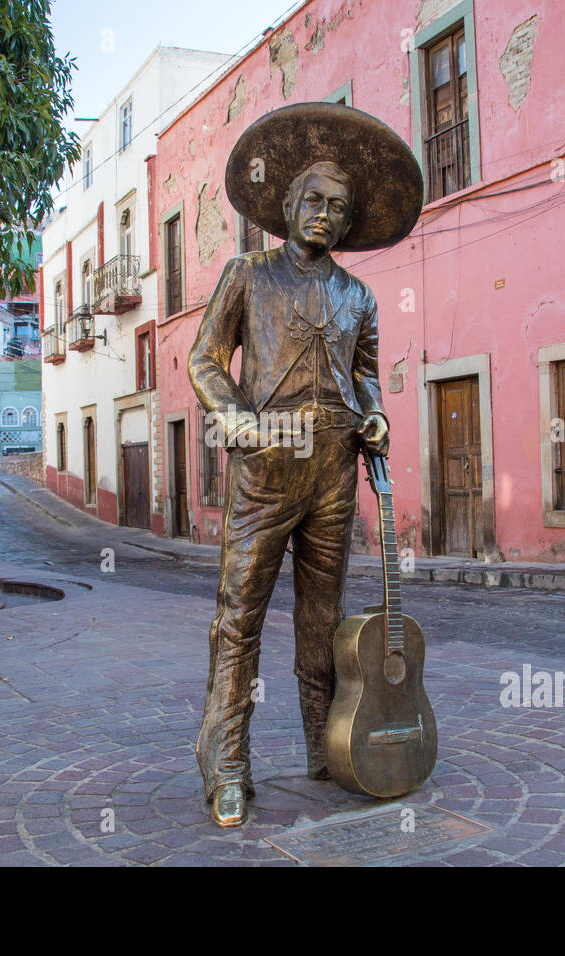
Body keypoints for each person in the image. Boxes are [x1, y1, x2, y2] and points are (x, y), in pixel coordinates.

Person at [188, 103, 422, 827]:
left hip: (333, 470)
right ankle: (228, 765)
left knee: (325, 622)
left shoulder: (359, 296)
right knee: (239, 619)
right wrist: (234, 420)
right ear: (287, 207)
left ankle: (330, 746)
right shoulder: (246, 274)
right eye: (313, 202)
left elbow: (369, 373)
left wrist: (376, 416)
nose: (324, 216)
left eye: (338, 209)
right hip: (265, 467)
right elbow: (203, 360)